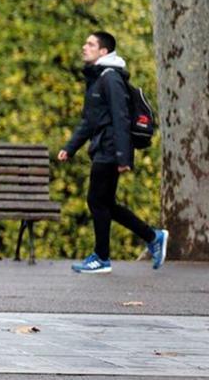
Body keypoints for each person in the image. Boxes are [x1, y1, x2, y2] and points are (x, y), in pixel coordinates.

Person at [58, 31, 168, 274]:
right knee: (106, 203)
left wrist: (123, 156)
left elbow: (121, 117)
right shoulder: (98, 79)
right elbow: (89, 121)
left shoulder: (111, 78)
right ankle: (153, 236)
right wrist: (70, 147)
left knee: (96, 201)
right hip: (103, 146)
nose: (84, 47)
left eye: (90, 44)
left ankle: (102, 257)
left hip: (110, 148)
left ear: (103, 51)